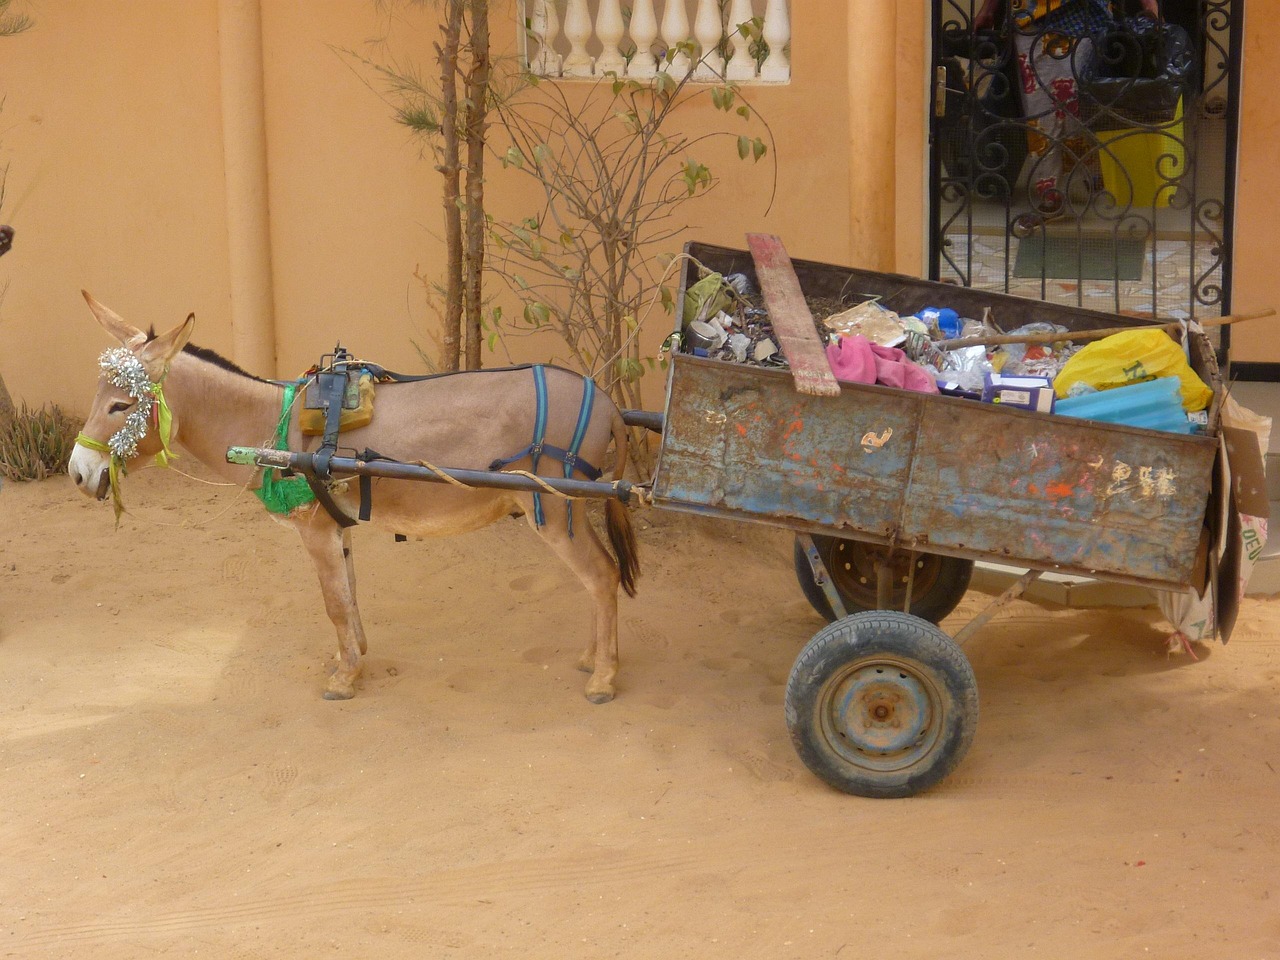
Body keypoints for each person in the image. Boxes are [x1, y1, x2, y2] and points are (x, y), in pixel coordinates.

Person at [974, 0, 1160, 218]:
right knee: (1039, 108)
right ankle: (1050, 196)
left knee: (1076, 105)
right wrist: (988, 9)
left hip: (1082, 15)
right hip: (1029, 19)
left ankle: (1092, 174)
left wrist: (1150, 6)